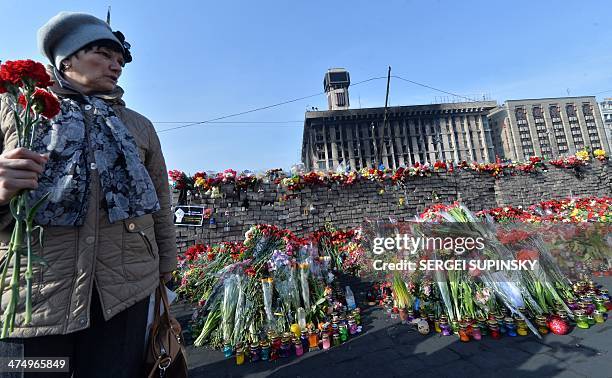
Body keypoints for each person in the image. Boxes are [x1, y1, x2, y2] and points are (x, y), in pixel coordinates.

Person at [0, 12, 177, 377]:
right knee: (33, 372)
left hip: (125, 289)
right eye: (103, 54)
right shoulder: (15, 109)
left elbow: (159, 202)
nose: (117, 66)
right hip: (34, 296)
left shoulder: (137, 125)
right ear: (66, 59)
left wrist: (166, 268)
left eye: (120, 60)